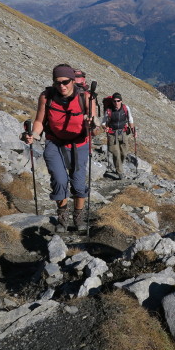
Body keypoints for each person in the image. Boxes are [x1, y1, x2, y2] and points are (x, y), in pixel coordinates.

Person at [22, 64, 97, 232]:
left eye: (66, 82)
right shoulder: (46, 97)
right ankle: (62, 216)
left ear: (73, 81)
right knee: (59, 180)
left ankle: (78, 216)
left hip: (80, 144)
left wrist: (92, 126)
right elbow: (40, 121)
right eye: (57, 82)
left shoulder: (86, 97)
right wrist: (33, 135)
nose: (62, 86)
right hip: (54, 142)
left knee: (78, 184)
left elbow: (95, 128)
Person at [103, 92, 135, 179]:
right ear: (112, 101)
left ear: (121, 101)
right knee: (116, 153)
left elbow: (130, 119)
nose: (116, 103)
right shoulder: (108, 111)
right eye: (114, 101)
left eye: (118, 101)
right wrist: (105, 127)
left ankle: (118, 166)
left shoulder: (125, 108)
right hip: (112, 134)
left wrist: (133, 131)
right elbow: (103, 121)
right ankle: (120, 172)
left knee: (124, 153)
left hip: (123, 133)